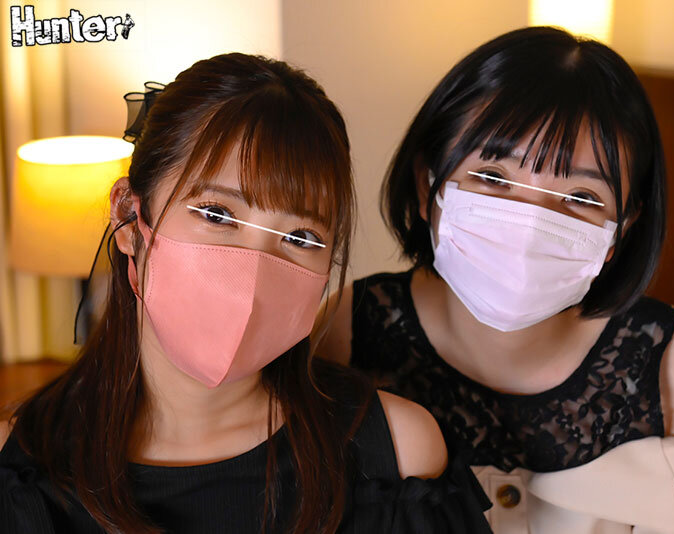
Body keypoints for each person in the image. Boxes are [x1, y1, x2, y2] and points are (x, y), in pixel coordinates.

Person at [0, 53, 492, 534]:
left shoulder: (397, 457)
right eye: (217, 214)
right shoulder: (18, 466)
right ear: (130, 216)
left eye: (301, 237)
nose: (253, 270)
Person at [317, 27, 674, 533]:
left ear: (622, 229)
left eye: (581, 198)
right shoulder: (345, 332)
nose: (528, 226)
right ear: (425, 185)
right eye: (493, 177)